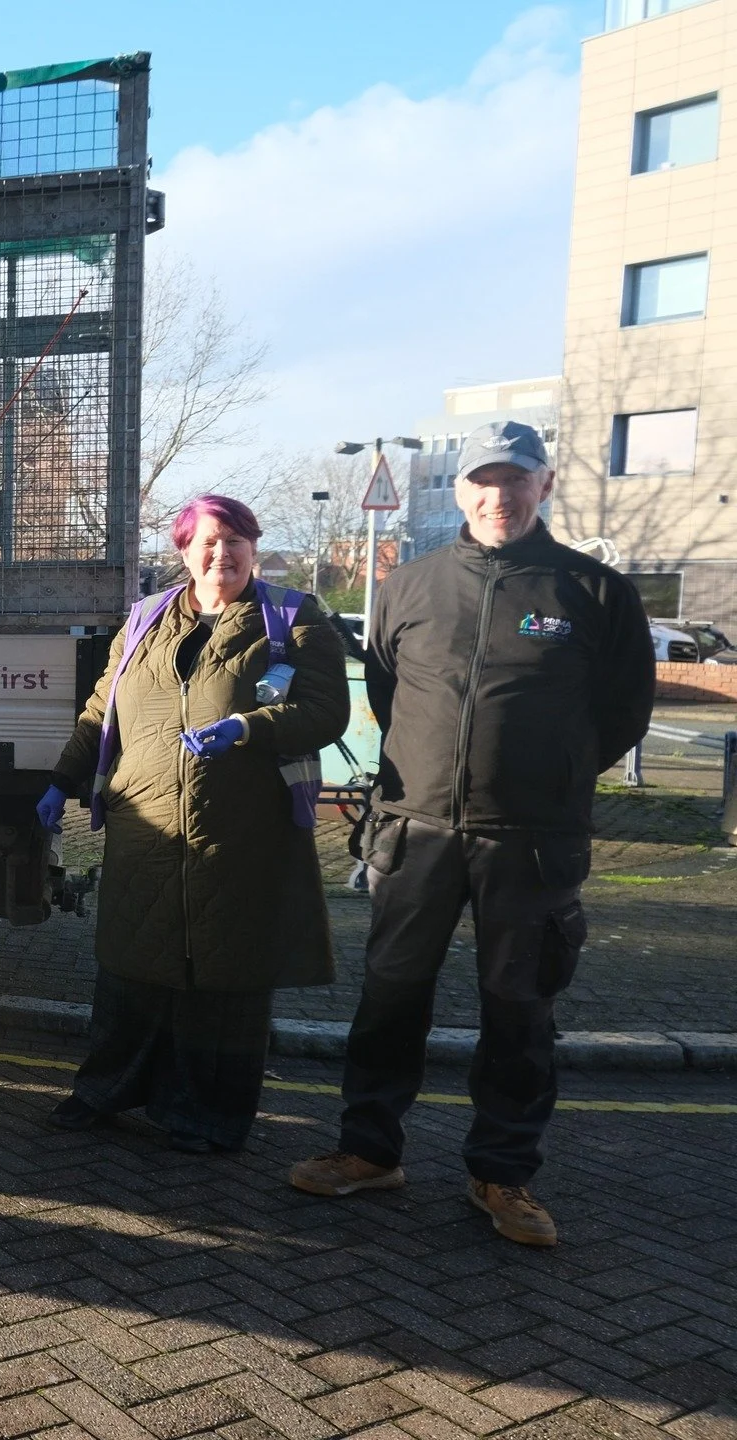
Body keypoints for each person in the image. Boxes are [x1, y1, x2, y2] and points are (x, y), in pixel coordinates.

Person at [291, 422, 654, 1247]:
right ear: (460, 491)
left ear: (546, 485)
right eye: (484, 480)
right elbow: (387, 694)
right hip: (415, 828)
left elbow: (625, 712)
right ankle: (369, 1151)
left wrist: (552, 771)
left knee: (520, 1011)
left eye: (517, 479)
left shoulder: (595, 593)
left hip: (530, 840)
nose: (500, 495)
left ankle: (504, 1173)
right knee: (389, 997)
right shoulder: (410, 587)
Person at [39, 495, 348, 1153]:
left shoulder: (292, 619)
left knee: (225, 982)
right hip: (145, 827)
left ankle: (209, 1116)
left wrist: (247, 726)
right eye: (210, 540)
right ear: (183, 549)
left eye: (237, 540)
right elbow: (103, 709)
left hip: (243, 835)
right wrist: (61, 780)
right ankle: (104, 1091)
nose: (223, 553)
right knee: (131, 966)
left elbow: (326, 712)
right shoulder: (146, 619)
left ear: (253, 548)